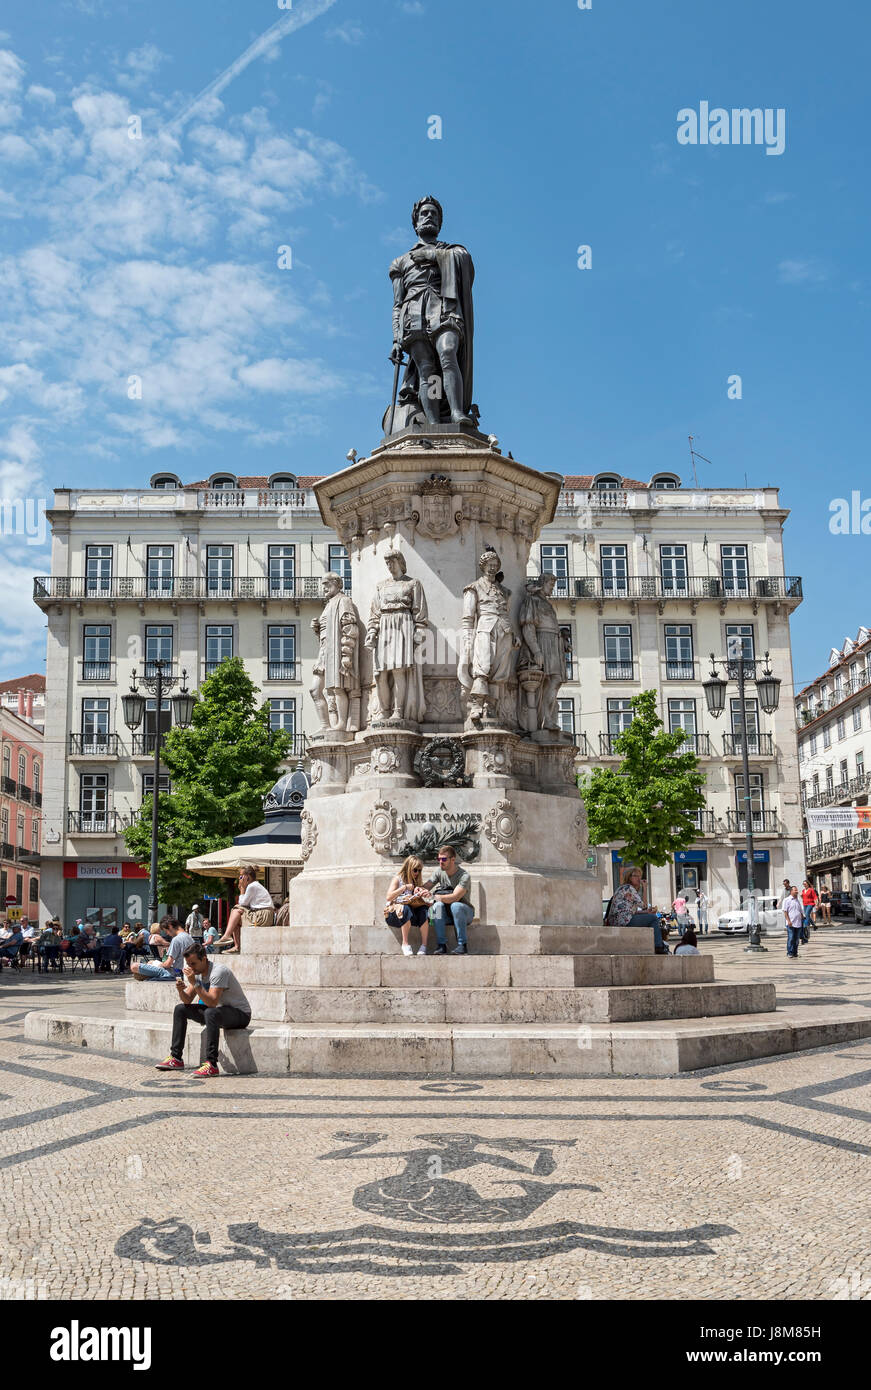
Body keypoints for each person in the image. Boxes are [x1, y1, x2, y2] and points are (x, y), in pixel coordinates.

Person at [155, 942, 252, 1078]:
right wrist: (180, 990)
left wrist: (195, 983)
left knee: (210, 1012)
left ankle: (211, 1064)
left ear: (204, 959)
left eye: (193, 963)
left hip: (240, 1014)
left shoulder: (219, 971)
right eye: (188, 964)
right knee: (180, 1009)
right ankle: (176, 1058)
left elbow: (212, 1002)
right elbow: (187, 1000)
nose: (190, 967)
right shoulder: (198, 972)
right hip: (220, 1012)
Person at [605, 867, 669, 954]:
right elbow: (644, 906)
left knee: (648, 917)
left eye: (640, 876)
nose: (639, 878)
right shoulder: (629, 888)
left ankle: (651, 945)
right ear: (629, 877)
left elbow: (630, 910)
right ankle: (658, 946)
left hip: (618, 920)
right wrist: (645, 888)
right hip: (624, 921)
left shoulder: (622, 888)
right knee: (653, 918)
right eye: (636, 876)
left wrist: (645, 912)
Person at [426, 846, 474, 955]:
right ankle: (441, 945)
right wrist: (418, 889)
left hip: (464, 914)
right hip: (445, 915)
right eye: (439, 859)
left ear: (453, 859)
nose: (440, 862)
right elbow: (427, 885)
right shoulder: (439, 872)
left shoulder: (464, 876)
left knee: (456, 905)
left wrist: (434, 897)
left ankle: (462, 945)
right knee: (436, 907)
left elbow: (455, 897)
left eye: (444, 859)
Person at [215, 869, 275, 953]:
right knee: (235, 917)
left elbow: (242, 903)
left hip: (262, 915)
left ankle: (228, 936)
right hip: (263, 915)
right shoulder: (256, 885)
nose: (239, 879)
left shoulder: (252, 886)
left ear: (247, 877)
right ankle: (236, 945)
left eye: (241, 876)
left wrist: (242, 889)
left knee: (236, 909)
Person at [385, 856, 433, 956]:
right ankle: (405, 944)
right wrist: (404, 888)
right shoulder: (398, 879)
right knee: (405, 908)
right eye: (415, 870)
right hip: (394, 914)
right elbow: (388, 897)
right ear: (408, 867)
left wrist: (423, 896)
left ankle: (424, 945)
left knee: (424, 910)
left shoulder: (416, 882)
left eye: (419, 871)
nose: (417, 873)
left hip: (410, 915)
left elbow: (416, 902)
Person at [132, 917, 194, 982]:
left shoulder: (176, 940)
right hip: (181, 971)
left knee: (134, 966)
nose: (167, 934)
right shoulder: (189, 938)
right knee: (148, 965)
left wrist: (157, 964)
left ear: (170, 926)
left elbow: (168, 964)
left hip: (173, 973)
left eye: (166, 931)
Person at [783, 885, 804, 959]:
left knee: (796, 939)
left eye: (797, 890)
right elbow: (785, 911)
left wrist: (802, 918)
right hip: (791, 923)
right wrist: (788, 921)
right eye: (795, 890)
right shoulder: (787, 900)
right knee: (791, 938)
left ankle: (795, 952)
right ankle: (790, 952)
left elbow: (800, 910)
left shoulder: (797, 900)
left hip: (798, 923)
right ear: (791, 891)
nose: (797, 891)